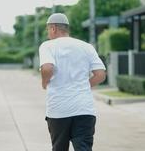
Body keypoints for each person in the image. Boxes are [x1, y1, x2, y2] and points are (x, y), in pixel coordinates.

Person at [38, 13, 106, 151]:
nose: (48, 33)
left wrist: (44, 82)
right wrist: (82, 86)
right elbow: (100, 74)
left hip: (59, 110)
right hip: (84, 110)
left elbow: (47, 67)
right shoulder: (86, 46)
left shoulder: (48, 46)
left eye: (48, 30)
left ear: (53, 28)